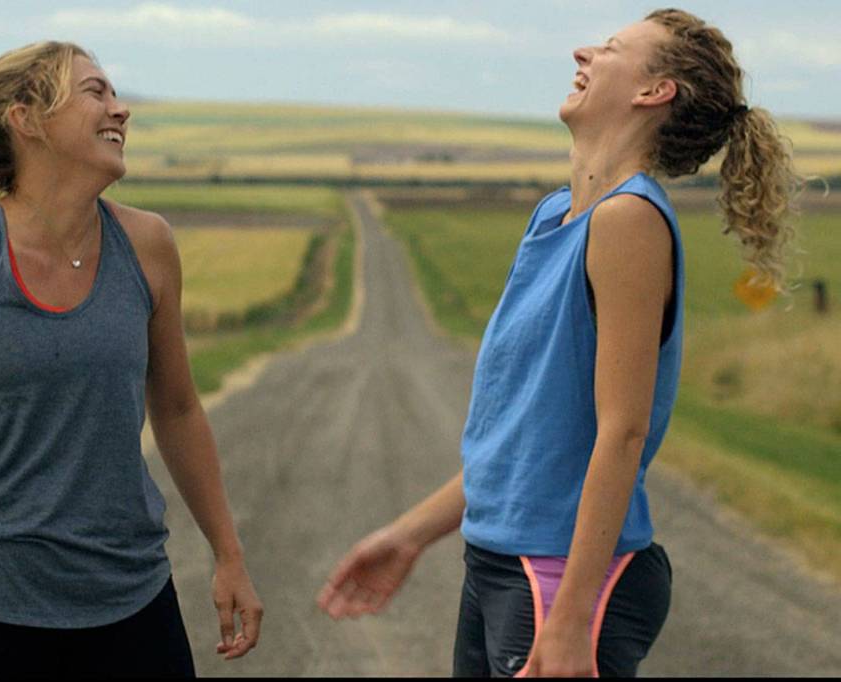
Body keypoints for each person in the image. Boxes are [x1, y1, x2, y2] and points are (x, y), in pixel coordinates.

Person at [318, 9, 800, 678]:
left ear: (654, 91)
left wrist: (571, 617)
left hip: (559, 578)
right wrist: (408, 536)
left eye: (610, 48)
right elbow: (524, 443)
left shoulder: (628, 220)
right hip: (499, 564)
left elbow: (622, 432)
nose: (583, 52)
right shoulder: (553, 216)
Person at [0, 41, 263, 677]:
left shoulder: (149, 244)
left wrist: (229, 555)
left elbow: (179, 410)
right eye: (94, 92)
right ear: (27, 119)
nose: (120, 109)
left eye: (115, 94)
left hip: (130, 595)